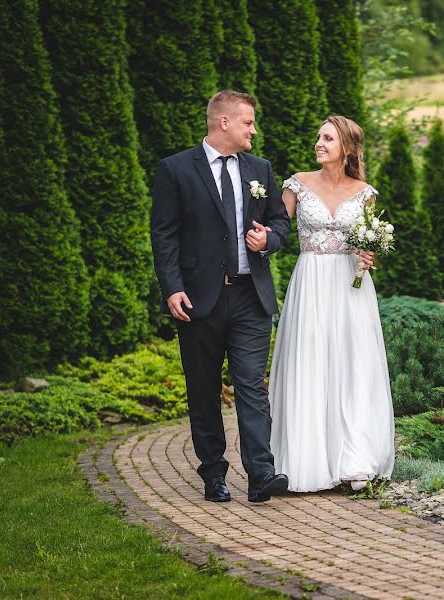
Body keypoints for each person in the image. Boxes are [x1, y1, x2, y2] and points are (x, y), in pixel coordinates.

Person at [150, 90, 291, 503]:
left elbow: (280, 223)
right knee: (204, 389)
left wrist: (268, 239)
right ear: (224, 122)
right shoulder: (175, 169)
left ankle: (261, 473)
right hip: (198, 300)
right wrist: (172, 286)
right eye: (248, 122)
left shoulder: (259, 168)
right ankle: (213, 473)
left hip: (251, 297)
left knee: (251, 385)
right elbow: (164, 234)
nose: (254, 130)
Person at [268, 115, 395, 493]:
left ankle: (355, 459)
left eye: (328, 139)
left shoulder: (365, 192)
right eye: (318, 137)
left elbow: (366, 238)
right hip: (311, 282)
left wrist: (368, 254)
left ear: (348, 149)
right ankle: (305, 461)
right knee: (311, 362)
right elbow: (275, 227)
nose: (319, 144)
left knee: (353, 364)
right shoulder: (298, 184)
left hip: (351, 286)